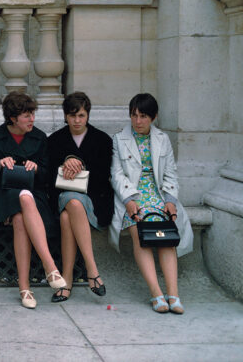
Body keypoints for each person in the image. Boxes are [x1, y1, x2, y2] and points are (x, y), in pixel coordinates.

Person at [0, 91, 66, 309]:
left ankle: (24, 287)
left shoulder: (39, 137)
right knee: (24, 198)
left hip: (34, 192)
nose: (32, 119)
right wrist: (0, 164)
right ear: (12, 118)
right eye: (26, 115)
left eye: (32, 114)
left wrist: (36, 168)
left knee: (20, 216)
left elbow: (48, 176)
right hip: (5, 192)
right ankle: (50, 267)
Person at [110, 93, 192, 314]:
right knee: (140, 233)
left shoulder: (162, 139)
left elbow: (171, 174)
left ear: (153, 117)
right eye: (134, 115)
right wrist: (128, 200)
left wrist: (171, 201)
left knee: (166, 236)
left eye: (143, 116)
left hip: (158, 195)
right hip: (132, 195)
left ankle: (173, 295)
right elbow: (117, 175)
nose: (137, 121)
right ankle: (156, 294)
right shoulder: (119, 139)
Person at [47, 92, 113, 302]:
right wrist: (65, 162)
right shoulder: (54, 140)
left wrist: (80, 166)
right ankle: (92, 271)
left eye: (81, 115)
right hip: (60, 197)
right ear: (65, 116)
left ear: (88, 115)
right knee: (72, 201)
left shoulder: (102, 140)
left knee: (69, 214)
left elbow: (104, 177)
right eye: (72, 115)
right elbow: (47, 179)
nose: (77, 120)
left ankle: (66, 280)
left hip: (95, 199)